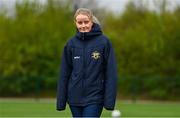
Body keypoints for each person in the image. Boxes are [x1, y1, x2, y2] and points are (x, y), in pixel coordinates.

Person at [56, 8, 117, 117]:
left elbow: (111, 74)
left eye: (86, 22)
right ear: (75, 23)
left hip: (95, 97)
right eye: (80, 22)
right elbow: (64, 74)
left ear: (91, 21)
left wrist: (109, 101)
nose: (83, 25)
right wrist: (61, 101)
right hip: (74, 99)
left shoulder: (104, 42)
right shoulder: (70, 44)